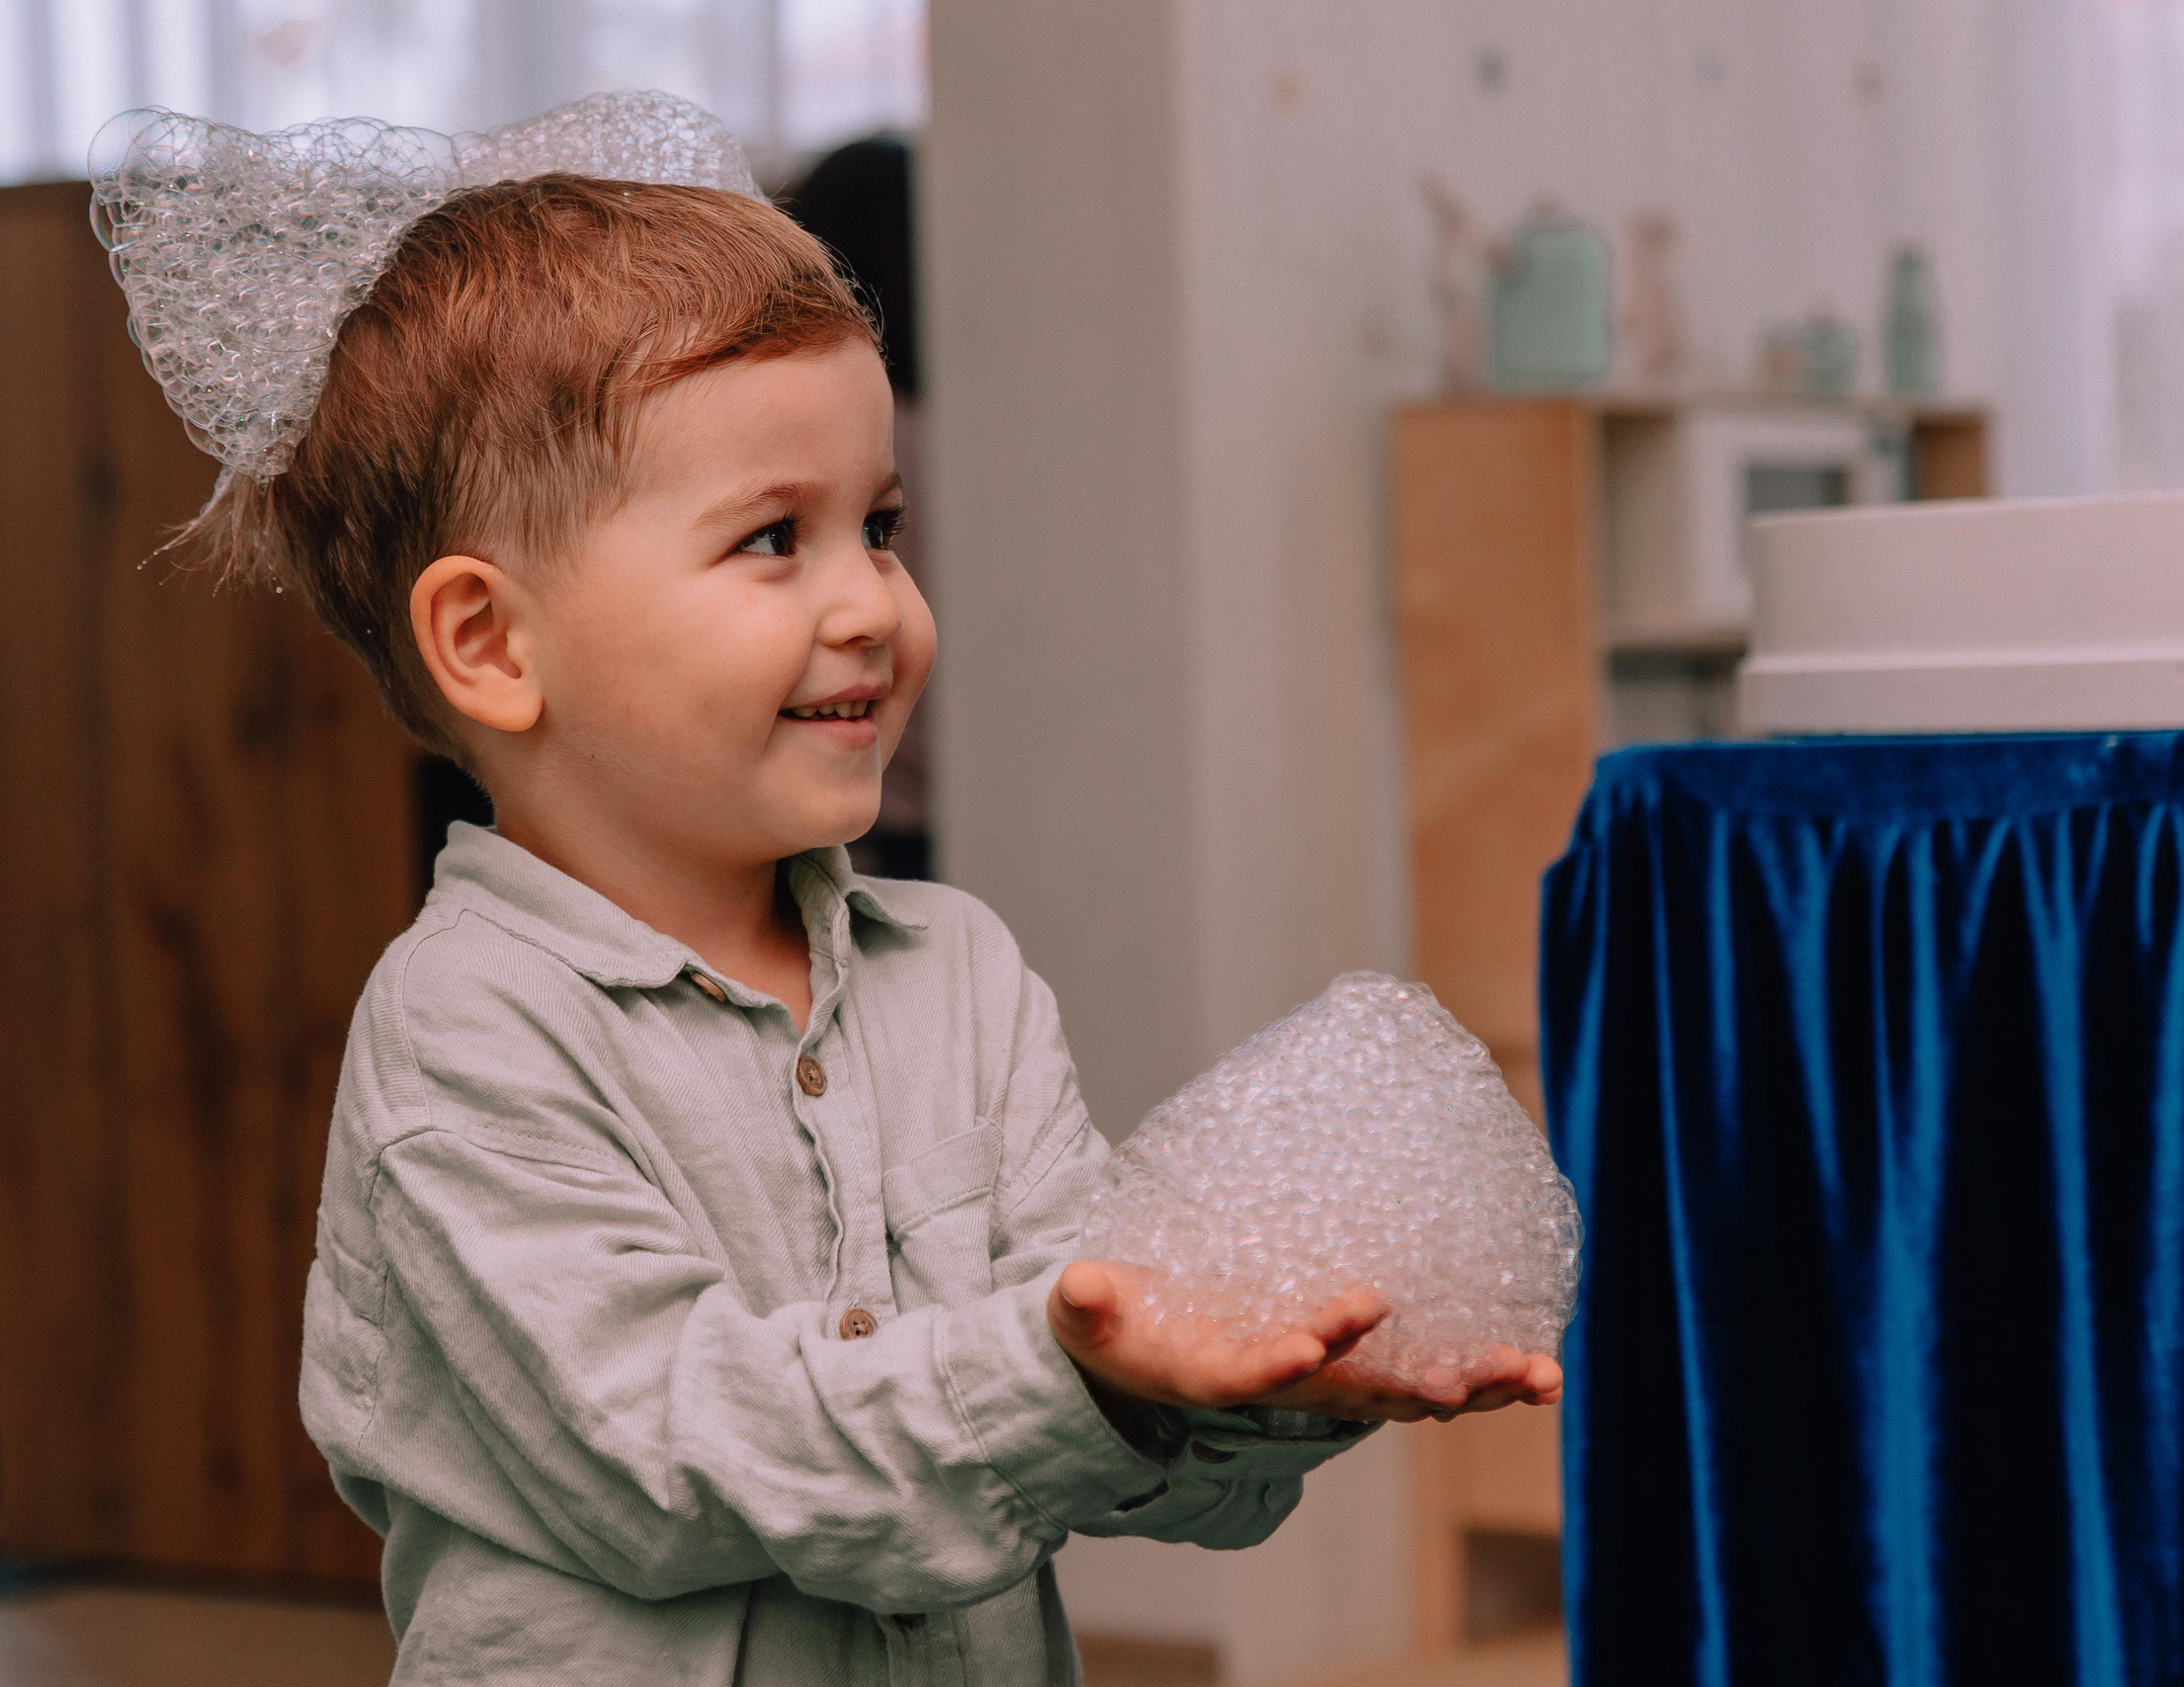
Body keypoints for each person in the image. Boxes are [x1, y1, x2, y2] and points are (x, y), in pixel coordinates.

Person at [91, 94, 1557, 1686]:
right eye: (774, 540)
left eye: (880, 524)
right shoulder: (468, 1033)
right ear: (493, 645)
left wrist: (1245, 1383)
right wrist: (1068, 1370)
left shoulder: (961, 978)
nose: (872, 601)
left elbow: (1088, 1392)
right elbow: (674, 1451)